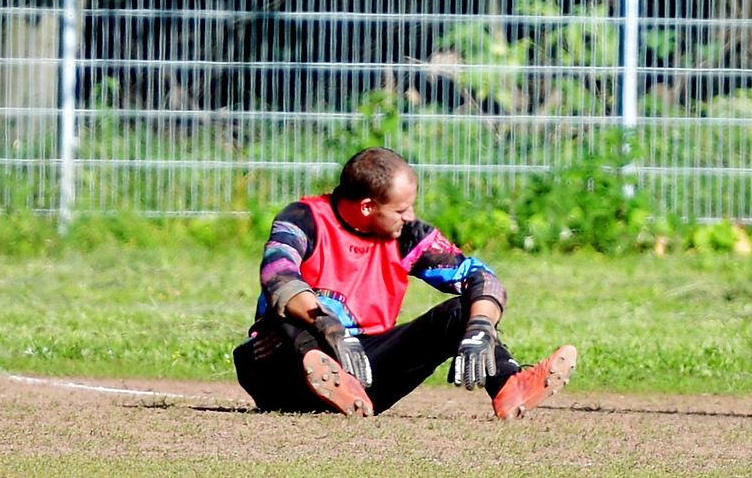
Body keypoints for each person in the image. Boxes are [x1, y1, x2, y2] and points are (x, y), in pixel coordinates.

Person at [233, 146, 576, 418]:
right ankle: (323, 371)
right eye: (400, 210)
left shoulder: (408, 236)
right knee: (288, 320)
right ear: (368, 207)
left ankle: (509, 386)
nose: (409, 216)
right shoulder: (304, 218)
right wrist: (331, 329)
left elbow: (480, 277)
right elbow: (277, 277)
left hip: (365, 368)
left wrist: (481, 328)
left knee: (460, 311)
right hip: (281, 369)